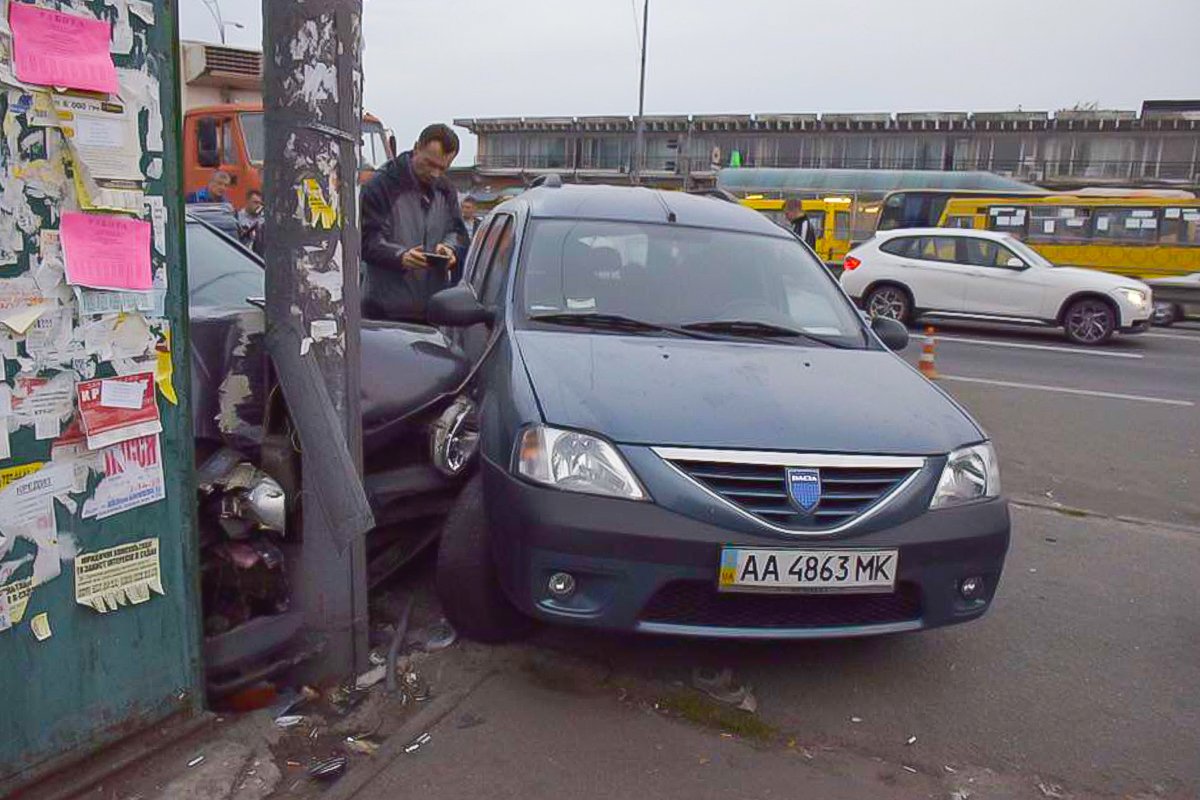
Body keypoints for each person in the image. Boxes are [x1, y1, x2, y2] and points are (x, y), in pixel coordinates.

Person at [361, 124, 469, 322]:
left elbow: (459, 233)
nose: (435, 173)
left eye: (442, 168)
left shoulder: (446, 190)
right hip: (383, 315)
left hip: (434, 315)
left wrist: (449, 249)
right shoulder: (380, 187)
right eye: (430, 164)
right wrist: (400, 257)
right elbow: (365, 240)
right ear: (416, 147)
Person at [237, 189, 265, 256]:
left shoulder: (263, 220)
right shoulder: (237, 218)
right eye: (255, 202)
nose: (258, 206)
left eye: (260, 203)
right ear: (247, 201)